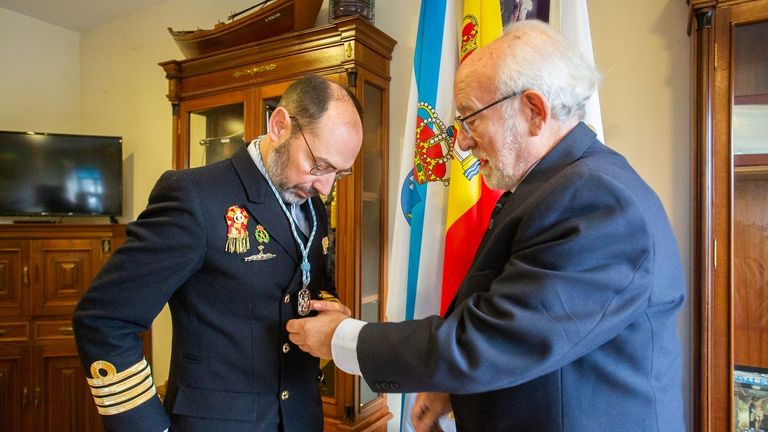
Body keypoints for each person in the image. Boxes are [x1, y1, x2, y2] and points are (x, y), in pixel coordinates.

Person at [287, 20, 686, 432]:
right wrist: (451, 388)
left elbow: (494, 338)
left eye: (470, 118)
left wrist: (343, 339)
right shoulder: (555, 188)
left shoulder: (596, 201)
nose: (460, 142)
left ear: (533, 111)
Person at [73, 74, 361, 432]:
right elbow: (104, 319)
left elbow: (301, 284)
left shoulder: (311, 204)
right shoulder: (194, 196)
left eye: (339, 173)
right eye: (319, 165)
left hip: (301, 417)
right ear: (279, 126)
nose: (325, 186)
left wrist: (334, 318)